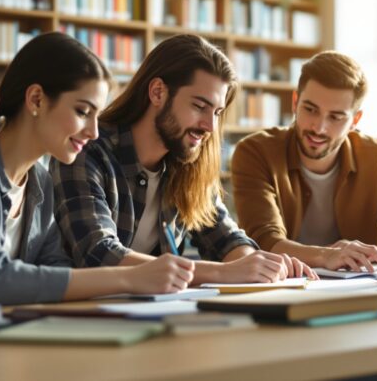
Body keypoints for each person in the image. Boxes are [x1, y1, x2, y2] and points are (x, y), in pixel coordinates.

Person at [0, 32, 194, 305]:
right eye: (83, 111)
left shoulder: (40, 182)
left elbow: (55, 274)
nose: (94, 132)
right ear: (36, 99)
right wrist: (129, 278)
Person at [51, 34, 315, 283]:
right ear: (157, 92)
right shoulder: (87, 148)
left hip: (151, 314)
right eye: (199, 106)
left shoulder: (186, 160)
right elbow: (98, 254)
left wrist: (257, 266)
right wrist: (224, 273)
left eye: (217, 112)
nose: (210, 126)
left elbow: (226, 239)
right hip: (84, 317)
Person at [230, 51, 377, 272]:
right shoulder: (255, 152)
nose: (319, 127)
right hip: (283, 290)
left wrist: (361, 257)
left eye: (335, 117)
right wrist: (328, 256)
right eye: (310, 109)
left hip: (359, 294)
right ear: (295, 102)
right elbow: (264, 243)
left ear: (355, 120)